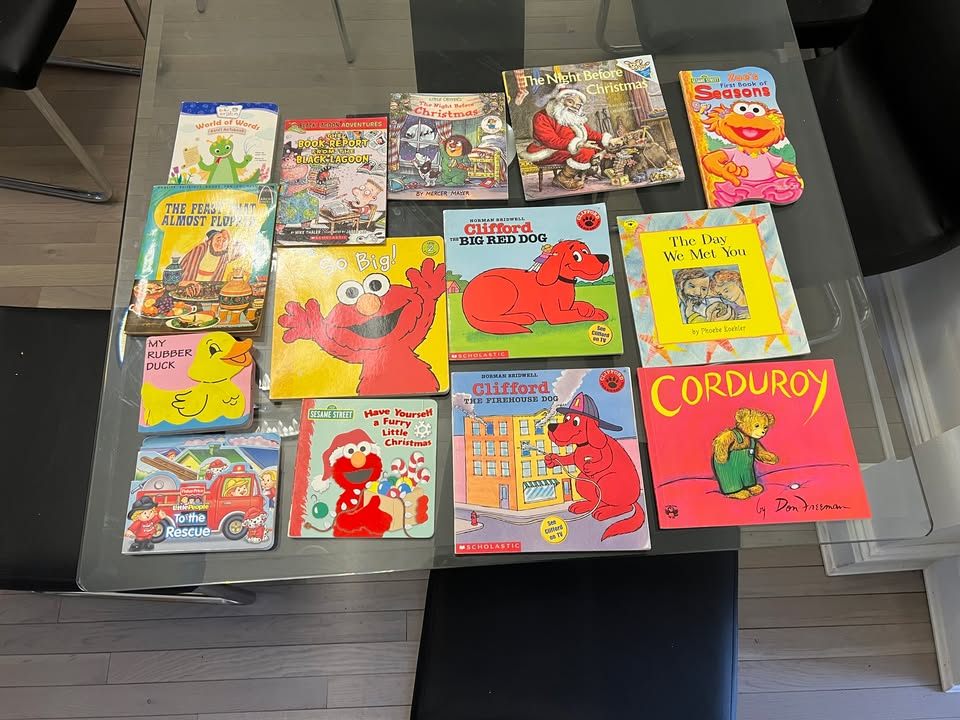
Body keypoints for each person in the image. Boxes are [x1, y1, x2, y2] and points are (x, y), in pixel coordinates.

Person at [519, 86, 625, 190]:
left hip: (566, 148)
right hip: (545, 150)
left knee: (600, 146)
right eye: (570, 102)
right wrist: (580, 144)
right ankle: (563, 178)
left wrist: (609, 140)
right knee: (585, 152)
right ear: (560, 100)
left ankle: (586, 171)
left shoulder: (572, 116)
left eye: (578, 105)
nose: (574, 106)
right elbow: (551, 141)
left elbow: (590, 133)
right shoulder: (542, 117)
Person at [177, 228, 244, 297]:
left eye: (223, 241)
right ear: (209, 241)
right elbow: (188, 270)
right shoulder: (200, 249)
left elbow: (239, 251)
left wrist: (228, 239)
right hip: (191, 285)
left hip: (208, 289)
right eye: (218, 240)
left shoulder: (223, 255)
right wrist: (189, 284)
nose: (220, 244)